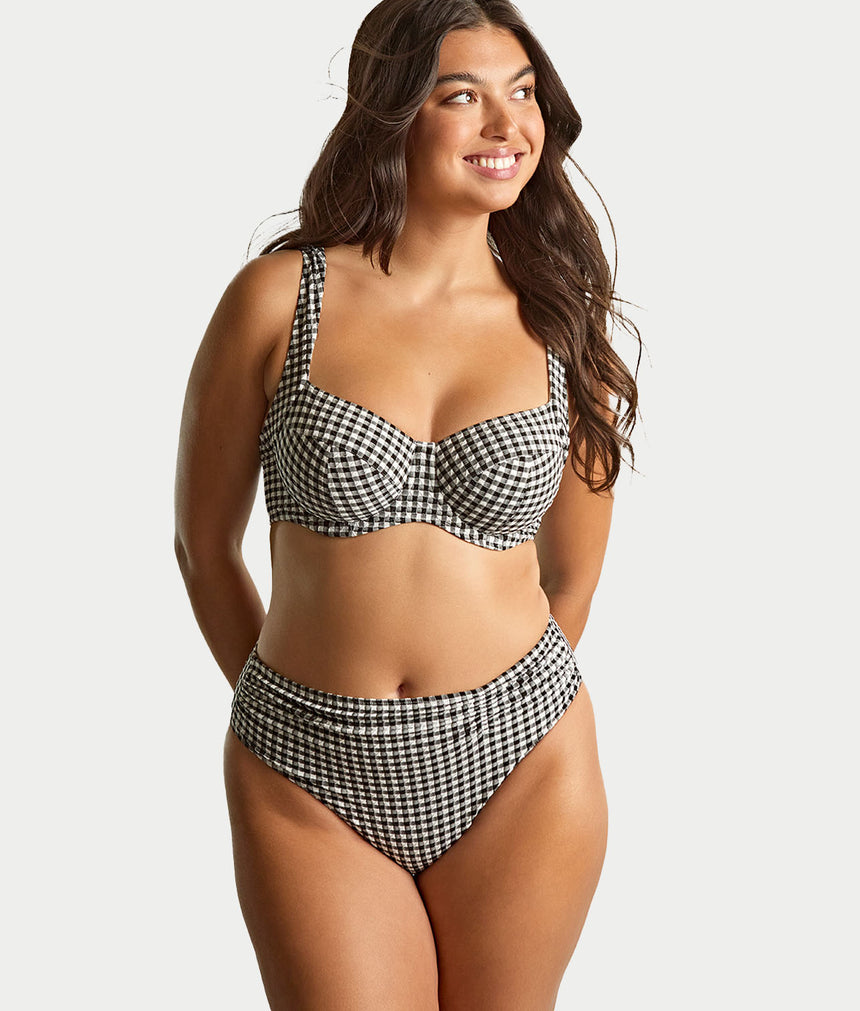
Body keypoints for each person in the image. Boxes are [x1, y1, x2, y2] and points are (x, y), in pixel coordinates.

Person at [175, 0, 639, 1007]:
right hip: (305, 766)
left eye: (523, 93)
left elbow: (574, 574)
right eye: (461, 95)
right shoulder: (278, 299)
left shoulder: (558, 326)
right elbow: (203, 546)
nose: (506, 124)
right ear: (389, 111)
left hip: (520, 758)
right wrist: (290, 708)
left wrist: (496, 709)